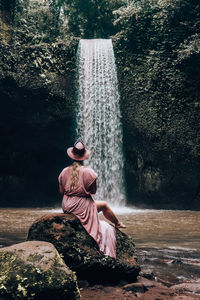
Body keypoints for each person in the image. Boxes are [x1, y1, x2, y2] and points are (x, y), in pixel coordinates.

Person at [58, 141, 126, 260]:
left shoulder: (64, 171)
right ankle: (117, 223)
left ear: (72, 155)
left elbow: (61, 192)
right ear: (84, 156)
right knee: (104, 205)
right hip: (82, 206)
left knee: (100, 205)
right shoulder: (89, 172)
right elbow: (93, 191)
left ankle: (118, 223)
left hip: (67, 205)